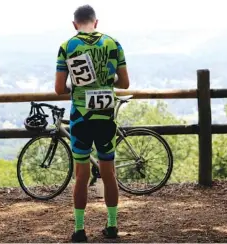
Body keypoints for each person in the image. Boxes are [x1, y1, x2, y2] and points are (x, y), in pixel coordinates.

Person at [54, 4, 130, 242]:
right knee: (109, 173)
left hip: (81, 118)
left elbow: (58, 89)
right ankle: (112, 225)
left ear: (75, 24)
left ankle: (79, 230)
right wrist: (107, 77)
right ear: (96, 22)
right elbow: (125, 83)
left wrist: (76, 85)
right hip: (106, 117)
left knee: (81, 176)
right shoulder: (113, 44)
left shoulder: (67, 47)